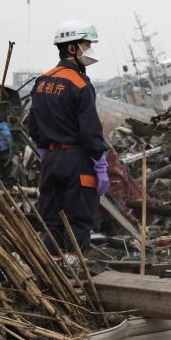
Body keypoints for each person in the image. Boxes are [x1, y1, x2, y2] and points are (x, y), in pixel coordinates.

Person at [28, 19, 110, 256]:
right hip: (77, 161)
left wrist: (44, 150)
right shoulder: (80, 84)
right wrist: (100, 162)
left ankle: (52, 272)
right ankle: (74, 277)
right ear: (72, 48)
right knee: (78, 220)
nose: (90, 50)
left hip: (51, 161)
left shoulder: (42, 82)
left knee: (51, 220)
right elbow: (90, 128)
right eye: (86, 44)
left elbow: (34, 123)